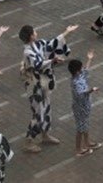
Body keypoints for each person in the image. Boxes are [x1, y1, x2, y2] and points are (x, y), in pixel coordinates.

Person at [19, 23, 78, 153]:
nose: (36, 32)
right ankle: (28, 142)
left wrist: (67, 32)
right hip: (35, 86)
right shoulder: (28, 52)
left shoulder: (38, 44)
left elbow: (52, 44)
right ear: (31, 36)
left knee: (46, 109)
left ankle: (45, 135)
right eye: (34, 31)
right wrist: (52, 61)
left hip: (43, 84)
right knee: (38, 114)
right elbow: (38, 65)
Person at [68, 49, 102, 157]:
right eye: (80, 67)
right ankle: (78, 149)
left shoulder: (79, 75)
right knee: (80, 128)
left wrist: (89, 59)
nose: (83, 68)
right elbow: (81, 94)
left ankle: (87, 142)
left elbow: (86, 70)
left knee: (85, 125)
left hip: (85, 106)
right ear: (77, 71)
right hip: (80, 108)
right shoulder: (75, 82)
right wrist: (92, 90)